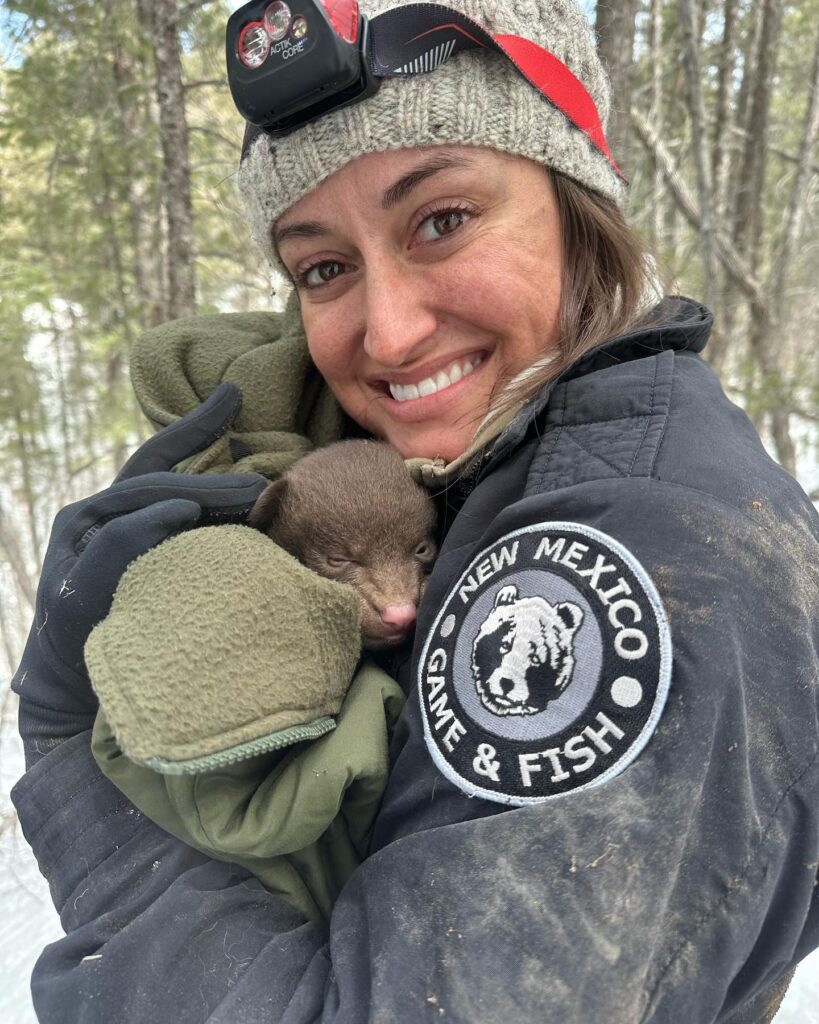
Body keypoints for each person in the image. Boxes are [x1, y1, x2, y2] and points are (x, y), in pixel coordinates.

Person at [11, 0, 819, 1021]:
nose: (386, 336)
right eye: (324, 268)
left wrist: (75, 756)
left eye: (443, 220)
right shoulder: (497, 468)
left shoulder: (635, 551)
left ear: (580, 206)